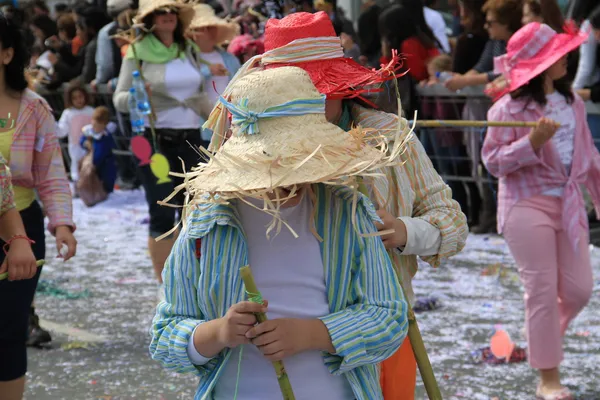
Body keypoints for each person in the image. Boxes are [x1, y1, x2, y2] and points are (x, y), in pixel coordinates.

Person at [204, 12, 468, 400]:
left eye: (315, 94)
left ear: (341, 87)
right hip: (278, 345)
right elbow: (209, 226)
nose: (305, 108)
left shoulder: (386, 136)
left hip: (380, 329)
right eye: (290, 97)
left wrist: (404, 232)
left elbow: (453, 223)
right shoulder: (245, 147)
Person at [150, 65, 409, 400]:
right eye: (275, 163)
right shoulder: (207, 224)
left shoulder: (347, 214)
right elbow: (164, 336)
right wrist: (218, 332)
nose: (290, 179)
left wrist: (314, 333)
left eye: (299, 161)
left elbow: (389, 316)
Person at [482, 22, 597, 400]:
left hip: (567, 204)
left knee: (580, 290)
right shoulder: (507, 109)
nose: (567, 58)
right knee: (542, 292)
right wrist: (531, 142)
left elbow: (589, 156)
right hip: (525, 205)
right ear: (541, 65)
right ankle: (548, 378)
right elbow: (493, 163)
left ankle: (541, 340)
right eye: (558, 55)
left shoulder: (573, 103)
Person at [0, 12, 76, 399]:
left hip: (21, 229)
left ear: (7, 53)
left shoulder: (34, 108)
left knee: (9, 328)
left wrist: (61, 223)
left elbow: (51, 174)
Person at [114, 0, 213, 293]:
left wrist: (225, 122)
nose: (168, 17)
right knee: (162, 211)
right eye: (162, 12)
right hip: (152, 141)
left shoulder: (187, 50)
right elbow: (118, 98)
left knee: (194, 210)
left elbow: (199, 97)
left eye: (172, 12)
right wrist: (135, 93)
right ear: (150, 19)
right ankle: (166, 286)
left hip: (191, 139)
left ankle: (188, 277)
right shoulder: (137, 52)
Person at [187, 3, 240, 147]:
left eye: (211, 27)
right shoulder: (187, 60)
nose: (208, 32)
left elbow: (241, 87)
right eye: (203, 28)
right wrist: (207, 72)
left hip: (231, 127)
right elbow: (184, 85)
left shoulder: (229, 59)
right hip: (201, 128)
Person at [57, 84, 94, 183]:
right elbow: (61, 131)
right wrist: (52, 125)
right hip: (75, 146)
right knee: (76, 168)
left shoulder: (91, 111)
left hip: (91, 146)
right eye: (74, 98)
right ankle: (78, 187)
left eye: (80, 96)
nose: (78, 100)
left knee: (91, 166)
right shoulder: (68, 113)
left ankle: (92, 188)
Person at [79, 106, 117, 196]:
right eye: (94, 124)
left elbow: (103, 150)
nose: (96, 127)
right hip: (91, 160)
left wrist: (95, 162)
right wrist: (85, 143)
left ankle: (106, 191)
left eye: (99, 126)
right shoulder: (89, 132)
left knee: (106, 178)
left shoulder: (106, 136)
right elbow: (81, 141)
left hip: (105, 163)